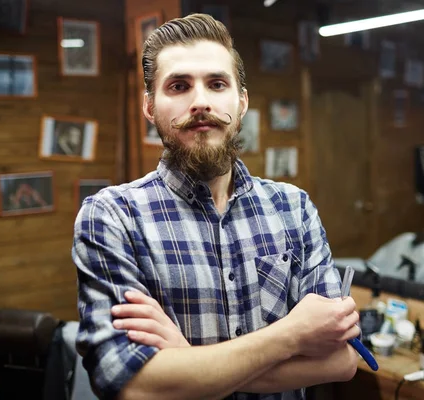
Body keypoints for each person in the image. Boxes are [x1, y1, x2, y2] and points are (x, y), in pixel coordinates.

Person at [72, 13, 360, 400]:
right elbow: (131, 385)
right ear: (149, 107)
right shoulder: (112, 217)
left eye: (217, 84)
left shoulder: (293, 208)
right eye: (178, 86)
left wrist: (185, 360)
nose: (201, 102)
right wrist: (292, 335)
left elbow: (342, 362)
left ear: (241, 102)